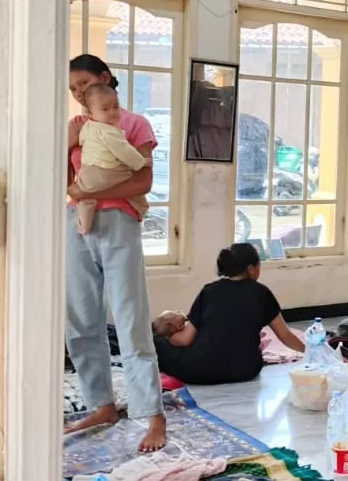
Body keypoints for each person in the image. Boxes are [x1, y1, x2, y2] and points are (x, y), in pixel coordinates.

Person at [63, 54, 167, 452]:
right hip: (77, 224)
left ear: (105, 79)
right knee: (81, 320)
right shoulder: (77, 128)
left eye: (84, 85)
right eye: (73, 89)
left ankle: (152, 415)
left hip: (118, 224)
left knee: (130, 318)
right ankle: (100, 404)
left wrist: (88, 191)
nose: (78, 94)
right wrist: (68, 144)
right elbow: (62, 178)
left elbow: (142, 182)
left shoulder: (134, 123)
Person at [152, 243, 305, 385]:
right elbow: (285, 336)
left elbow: (185, 340)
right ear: (251, 269)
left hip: (200, 372)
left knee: (156, 341)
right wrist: (310, 350)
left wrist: (165, 335)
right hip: (246, 370)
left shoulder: (209, 291)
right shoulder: (262, 293)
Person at [74, 84, 150, 234]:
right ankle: (141, 207)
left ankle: (84, 222)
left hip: (87, 175)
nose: (113, 112)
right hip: (105, 173)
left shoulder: (87, 127)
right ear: (90, 112)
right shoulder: (109, 132)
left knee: (86, 196)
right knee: (130, 178)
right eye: (105, 109)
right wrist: (141, 162)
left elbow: (82, 141)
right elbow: (125, 152)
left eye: (116, 107)